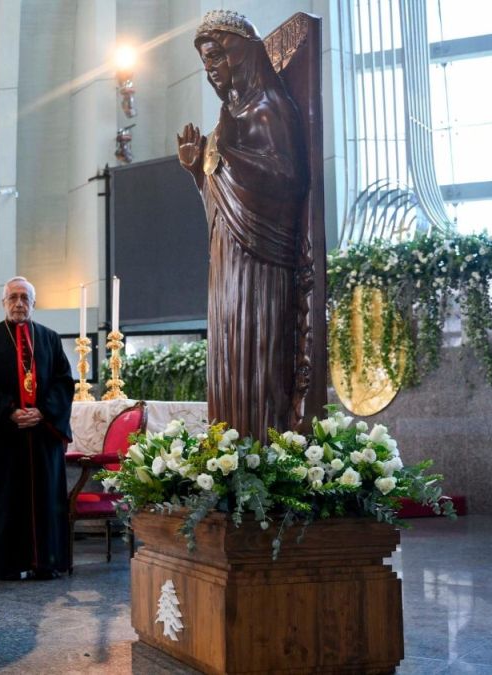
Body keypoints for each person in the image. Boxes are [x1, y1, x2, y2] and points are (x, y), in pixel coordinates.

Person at [177, 9, 309, 439]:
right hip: (227, 256)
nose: (211, 71)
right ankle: (229, 450)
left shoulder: (268, 109)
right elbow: (220, 201)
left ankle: (260, 451)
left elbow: (289, 179)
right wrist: (199, 172)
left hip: (261, 260)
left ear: (240, 54)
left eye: (216, 57)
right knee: (229, 352)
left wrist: (229, 154)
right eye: (205, 63)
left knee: (257, 352)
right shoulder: (228, 119)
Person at [0, 276, 75, 580]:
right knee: (4, 501)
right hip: (4, 436)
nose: (19, 303)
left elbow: (63, 382)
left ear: (33, 302)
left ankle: (45, 562)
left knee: (43, 499)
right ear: (3, 303)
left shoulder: (50, 338)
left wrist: (43, 412)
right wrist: (10, 412)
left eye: (24, 298)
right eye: (13, 298)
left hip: (41, 435)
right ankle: (1, 563)